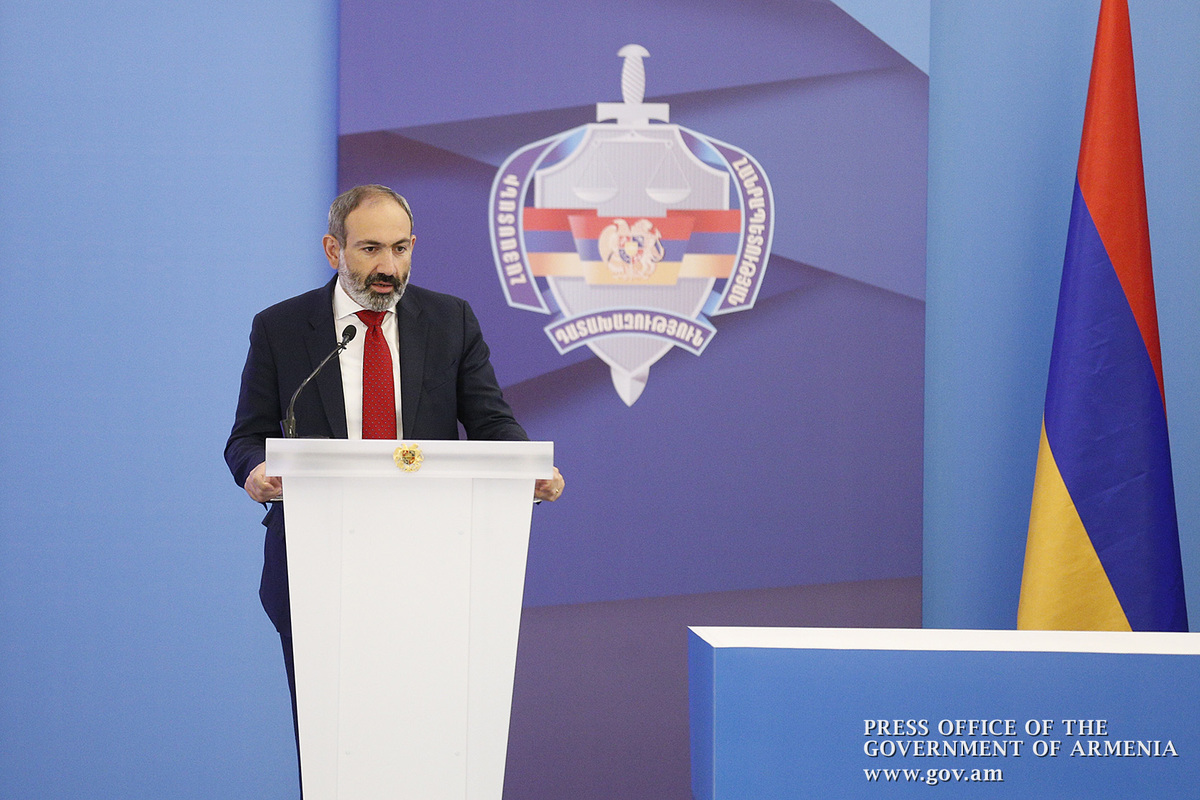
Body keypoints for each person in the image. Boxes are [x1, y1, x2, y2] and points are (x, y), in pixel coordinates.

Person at [224, 184, 564, 779]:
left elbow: (491, 421)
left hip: (435, 564)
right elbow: (247, 436)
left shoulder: (450, 320)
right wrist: (255, 471)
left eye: (401, 249)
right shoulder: (281, 327)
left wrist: (525, 467)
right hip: (317, 563)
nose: (389, 267)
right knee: (335, 750)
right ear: (333, 249)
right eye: (370, 249)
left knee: (433, 744)